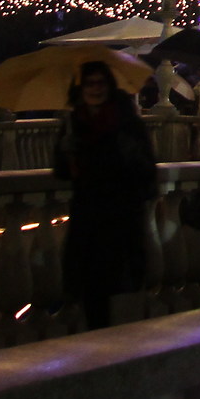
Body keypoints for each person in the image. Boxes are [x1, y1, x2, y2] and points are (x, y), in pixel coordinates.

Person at [52, 61, 157, 330]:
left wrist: (125, 153)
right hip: (88, 216)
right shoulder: (74, 123)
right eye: (89, 83)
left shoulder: (126, 122)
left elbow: (146, 169)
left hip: (121, 215)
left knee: (121, 287)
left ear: (109, 86)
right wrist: (65, 152)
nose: (95, 89)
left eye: (100, 83)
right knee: (91, 289)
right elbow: (63, 172)